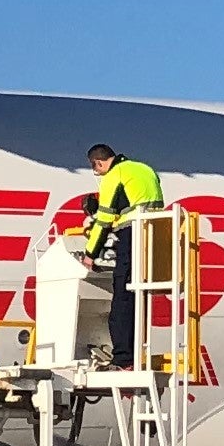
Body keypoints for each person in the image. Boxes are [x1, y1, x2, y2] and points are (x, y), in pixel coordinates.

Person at [84, 142, 163, 369]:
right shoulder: (144, 169)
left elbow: (105, 219)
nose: (96, 172)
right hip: (156, 235)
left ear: (98, 162)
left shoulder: (113, 176)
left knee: (122, 298)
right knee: (140, 296)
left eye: (94, 167)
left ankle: (122, 358)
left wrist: (91, 254)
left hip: (133, 235)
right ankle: (137, 352)